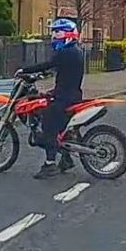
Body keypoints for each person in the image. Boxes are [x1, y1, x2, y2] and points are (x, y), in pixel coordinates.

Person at [19, 18, 84, 179]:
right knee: (42, 104)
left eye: (57, 32)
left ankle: (49, 164)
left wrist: (24, 70)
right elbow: (60, 69)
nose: (54, 36)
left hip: (64, 97)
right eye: (54, 32)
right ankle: (66, 159)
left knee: (48, 125)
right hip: (71, 94)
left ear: (67, 34)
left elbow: (48, 64)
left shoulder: (65, 52)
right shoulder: (76, 51)